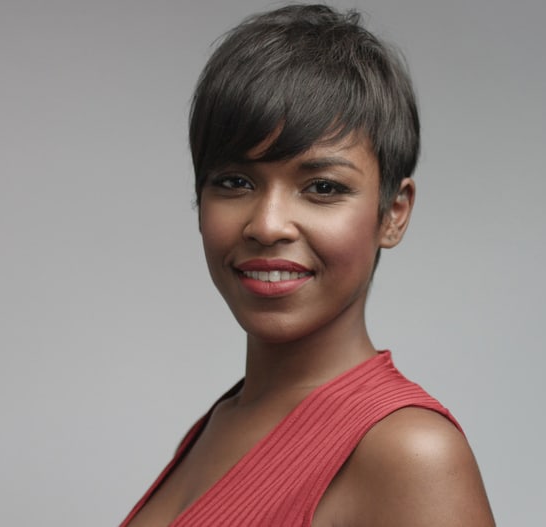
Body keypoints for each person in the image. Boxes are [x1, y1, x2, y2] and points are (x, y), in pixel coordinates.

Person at [120, 4, 495, 526]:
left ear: (393, 213)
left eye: (323, 187)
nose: (268, 224)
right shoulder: (219, 423)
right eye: (234, 181)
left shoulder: (409, 453)